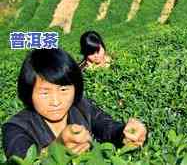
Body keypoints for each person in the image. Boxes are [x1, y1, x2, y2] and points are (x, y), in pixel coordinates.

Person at [2, 48, 147, 159]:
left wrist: (126, 133)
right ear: (29, 93)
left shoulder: (82, 107)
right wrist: (57, 148)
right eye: (45, 92)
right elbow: (23, 160)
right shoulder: (15, 128)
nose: (56, 101)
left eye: (64, 89)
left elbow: (108, 127)